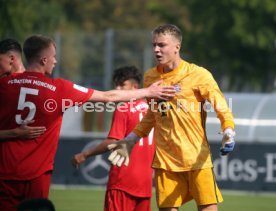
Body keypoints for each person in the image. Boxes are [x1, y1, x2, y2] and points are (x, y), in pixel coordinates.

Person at [0, 34, 175, 211]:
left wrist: (13, 133)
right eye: (53, 56)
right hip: (37, 176)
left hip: (5, 172)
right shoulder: (59, 88)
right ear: (44, 60)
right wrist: (148, 92)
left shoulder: (5, 84)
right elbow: (108, 97)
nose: (55, 61)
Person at [108, 24, 236, 211]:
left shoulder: (198, 75)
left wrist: (229, 130)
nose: (156, 50)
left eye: (162, 45)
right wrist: (131, 139)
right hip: (165, 162)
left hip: (196, 159)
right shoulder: (151, 77)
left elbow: (221, 105)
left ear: (177, 47)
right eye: (154, 45)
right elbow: (152, 115)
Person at [72, 66, 155, 211]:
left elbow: (113, 141)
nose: (117, 89)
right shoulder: (152, 110)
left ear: (135, 87)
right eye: (116, 85)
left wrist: (85, 154)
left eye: (122, 85)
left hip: (123, 182)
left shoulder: (124, 109)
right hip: (145, 184)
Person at [0, 38, 46, 140]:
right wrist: (15, 133)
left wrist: (14, 133)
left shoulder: (4, 85)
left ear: (11, 59)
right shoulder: (42, 84)